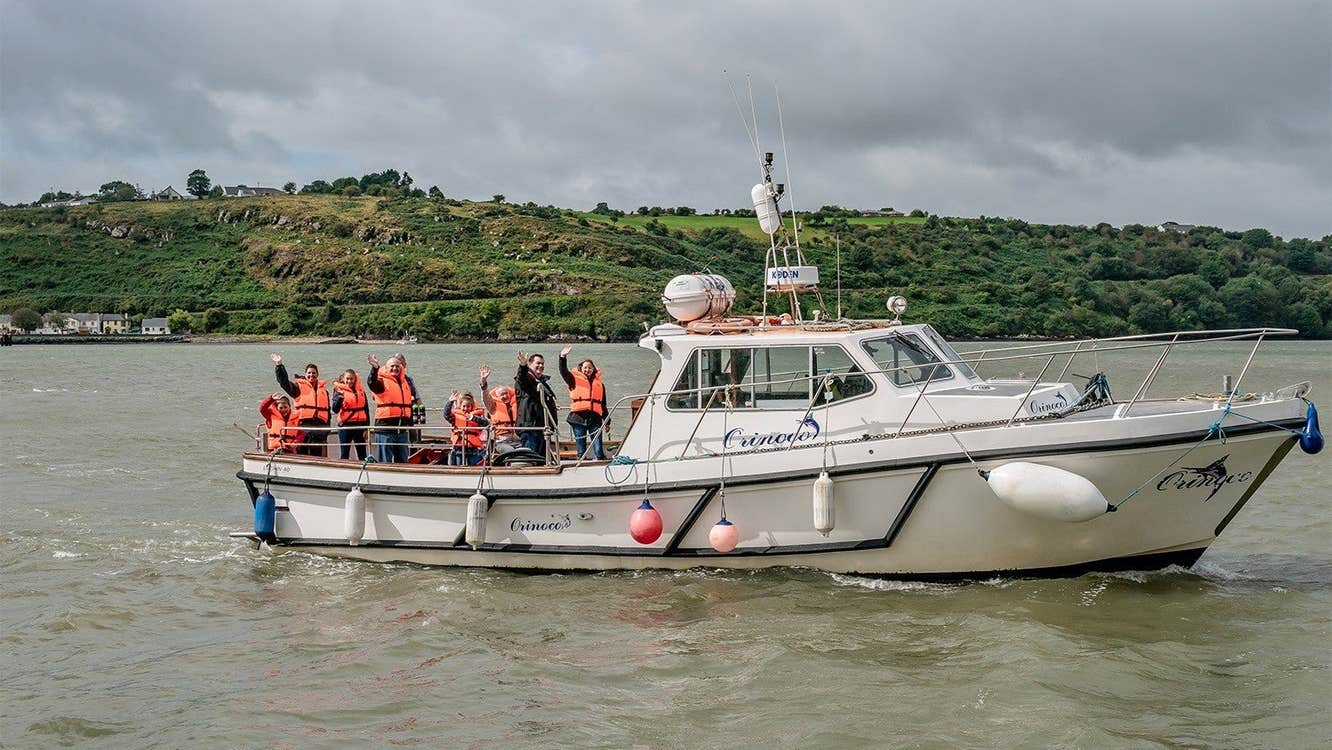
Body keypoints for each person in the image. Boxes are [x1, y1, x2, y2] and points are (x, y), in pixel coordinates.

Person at [272, 353, 330, 457]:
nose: (311, 375)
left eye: (313, 373)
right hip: (303, 426)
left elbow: (327, 411)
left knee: (316, 454)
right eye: (309, 373)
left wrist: (327, 429)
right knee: (301, 453)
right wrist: (279, 365)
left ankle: (315, 471)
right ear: (305, 374)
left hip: (319, 429)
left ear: (317, 374)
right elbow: (284, 383)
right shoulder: (298, 388)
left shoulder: (324, 391)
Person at [558, 344, 609, 460]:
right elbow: (563, 371)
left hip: (595, 419)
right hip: (578, 418)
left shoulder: (600, 385)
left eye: (590, 367)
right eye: (585, 367)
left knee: (598, 448)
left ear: (594, 369)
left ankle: (600, 460)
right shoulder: (573, 380)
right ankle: (582, 462)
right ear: (580, 369)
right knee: (581, 448)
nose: (587, 370)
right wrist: (562, 357)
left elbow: (603, 405)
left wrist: (607, 421)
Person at [367, 354, 413, 463]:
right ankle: (383, 479)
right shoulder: (381, 382)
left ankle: (402, 479)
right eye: (392, 366)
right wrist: (374, 368)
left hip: (401, 430)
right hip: (385, 429)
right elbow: (372, 383)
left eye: (397, 366)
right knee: (385, 461)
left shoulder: (405, 382)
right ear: (387, 368)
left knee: (403, 461)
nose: (395, 368)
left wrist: (411, 428)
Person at [513, 350, 558, 461]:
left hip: (542, 427)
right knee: (529, 458)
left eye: (542, 364)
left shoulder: (541, 381)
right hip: (530, 426)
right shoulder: (526, 379)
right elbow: (522, 378)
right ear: (530, 364)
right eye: (538, 363)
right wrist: (522, 365)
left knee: (542, 459)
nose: (541, 366)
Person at [331, 368, 370, 461]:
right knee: (344, 454)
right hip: (345, 427)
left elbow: (366, 410)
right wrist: (340, 397)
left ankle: (364, 471)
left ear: (355, 379)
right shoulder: (339, 391)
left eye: (351, 379)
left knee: (362, 454)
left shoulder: (361, 391)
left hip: (359, 427)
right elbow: (335, 409)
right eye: (347, 379)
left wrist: (366, 428)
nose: (349, 381)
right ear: (344, 379)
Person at [444, 390, 489, 466]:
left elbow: (486, 423)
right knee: (459, 464)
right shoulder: (455, 416)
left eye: (468, 406)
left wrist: (473, 418)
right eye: (464, 406)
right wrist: (450, 402)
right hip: (459, 447)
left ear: (472, 406)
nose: (466, 408)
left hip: (473, 448)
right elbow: (446, 414)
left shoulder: (477, 416)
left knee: (473, 465)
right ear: (460, 406)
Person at [478, 365, 518, 444]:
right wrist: (483, 382)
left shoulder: (517, 403)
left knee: (525, 451)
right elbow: (486, 397)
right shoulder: (493, 406)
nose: (505, 396)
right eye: (502, 395)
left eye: (506, 393)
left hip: (517, 437)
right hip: (502, 439)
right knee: (509, 451)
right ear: (497, 396)